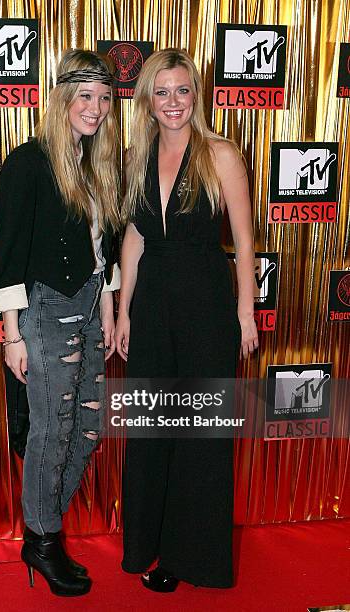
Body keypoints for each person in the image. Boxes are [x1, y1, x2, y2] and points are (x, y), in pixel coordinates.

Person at [115, 48, 258, 592]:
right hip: (152, 306)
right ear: (147, 99)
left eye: (183, 90)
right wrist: (125, 308)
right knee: (153, 431)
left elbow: (243, 241)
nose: (173, 102)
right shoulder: (136, 157)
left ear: (195, 95)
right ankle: (147, 547)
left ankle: (190, 558)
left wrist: (244, 314)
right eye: (162, 91)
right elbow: (135, 235)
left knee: (201, 434)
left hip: (205, 305)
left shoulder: (219, 153)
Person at [0, 49, 120, 597]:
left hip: (91, 305)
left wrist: (109, 307)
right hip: (44, 310)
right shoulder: (28, 161)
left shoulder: (97, 161)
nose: (95, 108)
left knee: (86, 430)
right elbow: (7, 252)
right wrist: (12, 334)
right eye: (85, 96)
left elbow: (102, 248)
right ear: (63, 96)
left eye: (104, 99)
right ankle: (43, 541)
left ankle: (40, 529)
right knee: (50, 430)